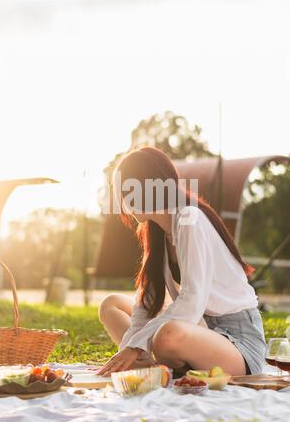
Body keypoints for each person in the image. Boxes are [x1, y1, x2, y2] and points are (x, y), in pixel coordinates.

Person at [98, 147, 266, 377]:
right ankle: (151, 365)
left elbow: (192, 301)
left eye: (126, 192)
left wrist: (135, 346)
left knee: (167, 336)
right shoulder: (156, 232)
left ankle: (156, 364)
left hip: (238, 342)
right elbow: (146, 304)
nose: (123, 203)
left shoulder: (190, 219)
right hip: (198, 329)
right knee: (111, 304)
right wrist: (130, 347)